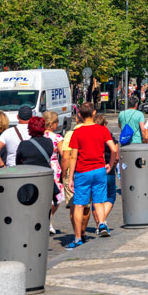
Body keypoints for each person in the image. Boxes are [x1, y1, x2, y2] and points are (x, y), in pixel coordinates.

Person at [65, 103, 118, 248]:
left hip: (83, 171)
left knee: (79, 205)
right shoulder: (102, 130)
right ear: (94, 113)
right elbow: (113, 149)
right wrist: (111, 164)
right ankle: (102, 224)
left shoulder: (77, 133)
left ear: (80, 115)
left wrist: (70, 178)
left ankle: (77, 238)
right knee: (99, 201)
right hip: (100, 169)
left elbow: (73, 156)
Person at [41, 111, 65, 235]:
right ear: (53, 124)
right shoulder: (57, 138)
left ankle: (47, 221)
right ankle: (48, 221)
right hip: (54, 168)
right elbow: (63, 155)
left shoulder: (38, 136)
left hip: (41, 166)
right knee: (56, 197)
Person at [93, 113, 117, 228]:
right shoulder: (110, 136)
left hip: (95, 169)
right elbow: (116, 153)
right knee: (111, 196)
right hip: (109, 169)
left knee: (96, 199)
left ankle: (99, 223)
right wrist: (112, 164)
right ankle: (102, 221)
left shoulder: (91, 136)